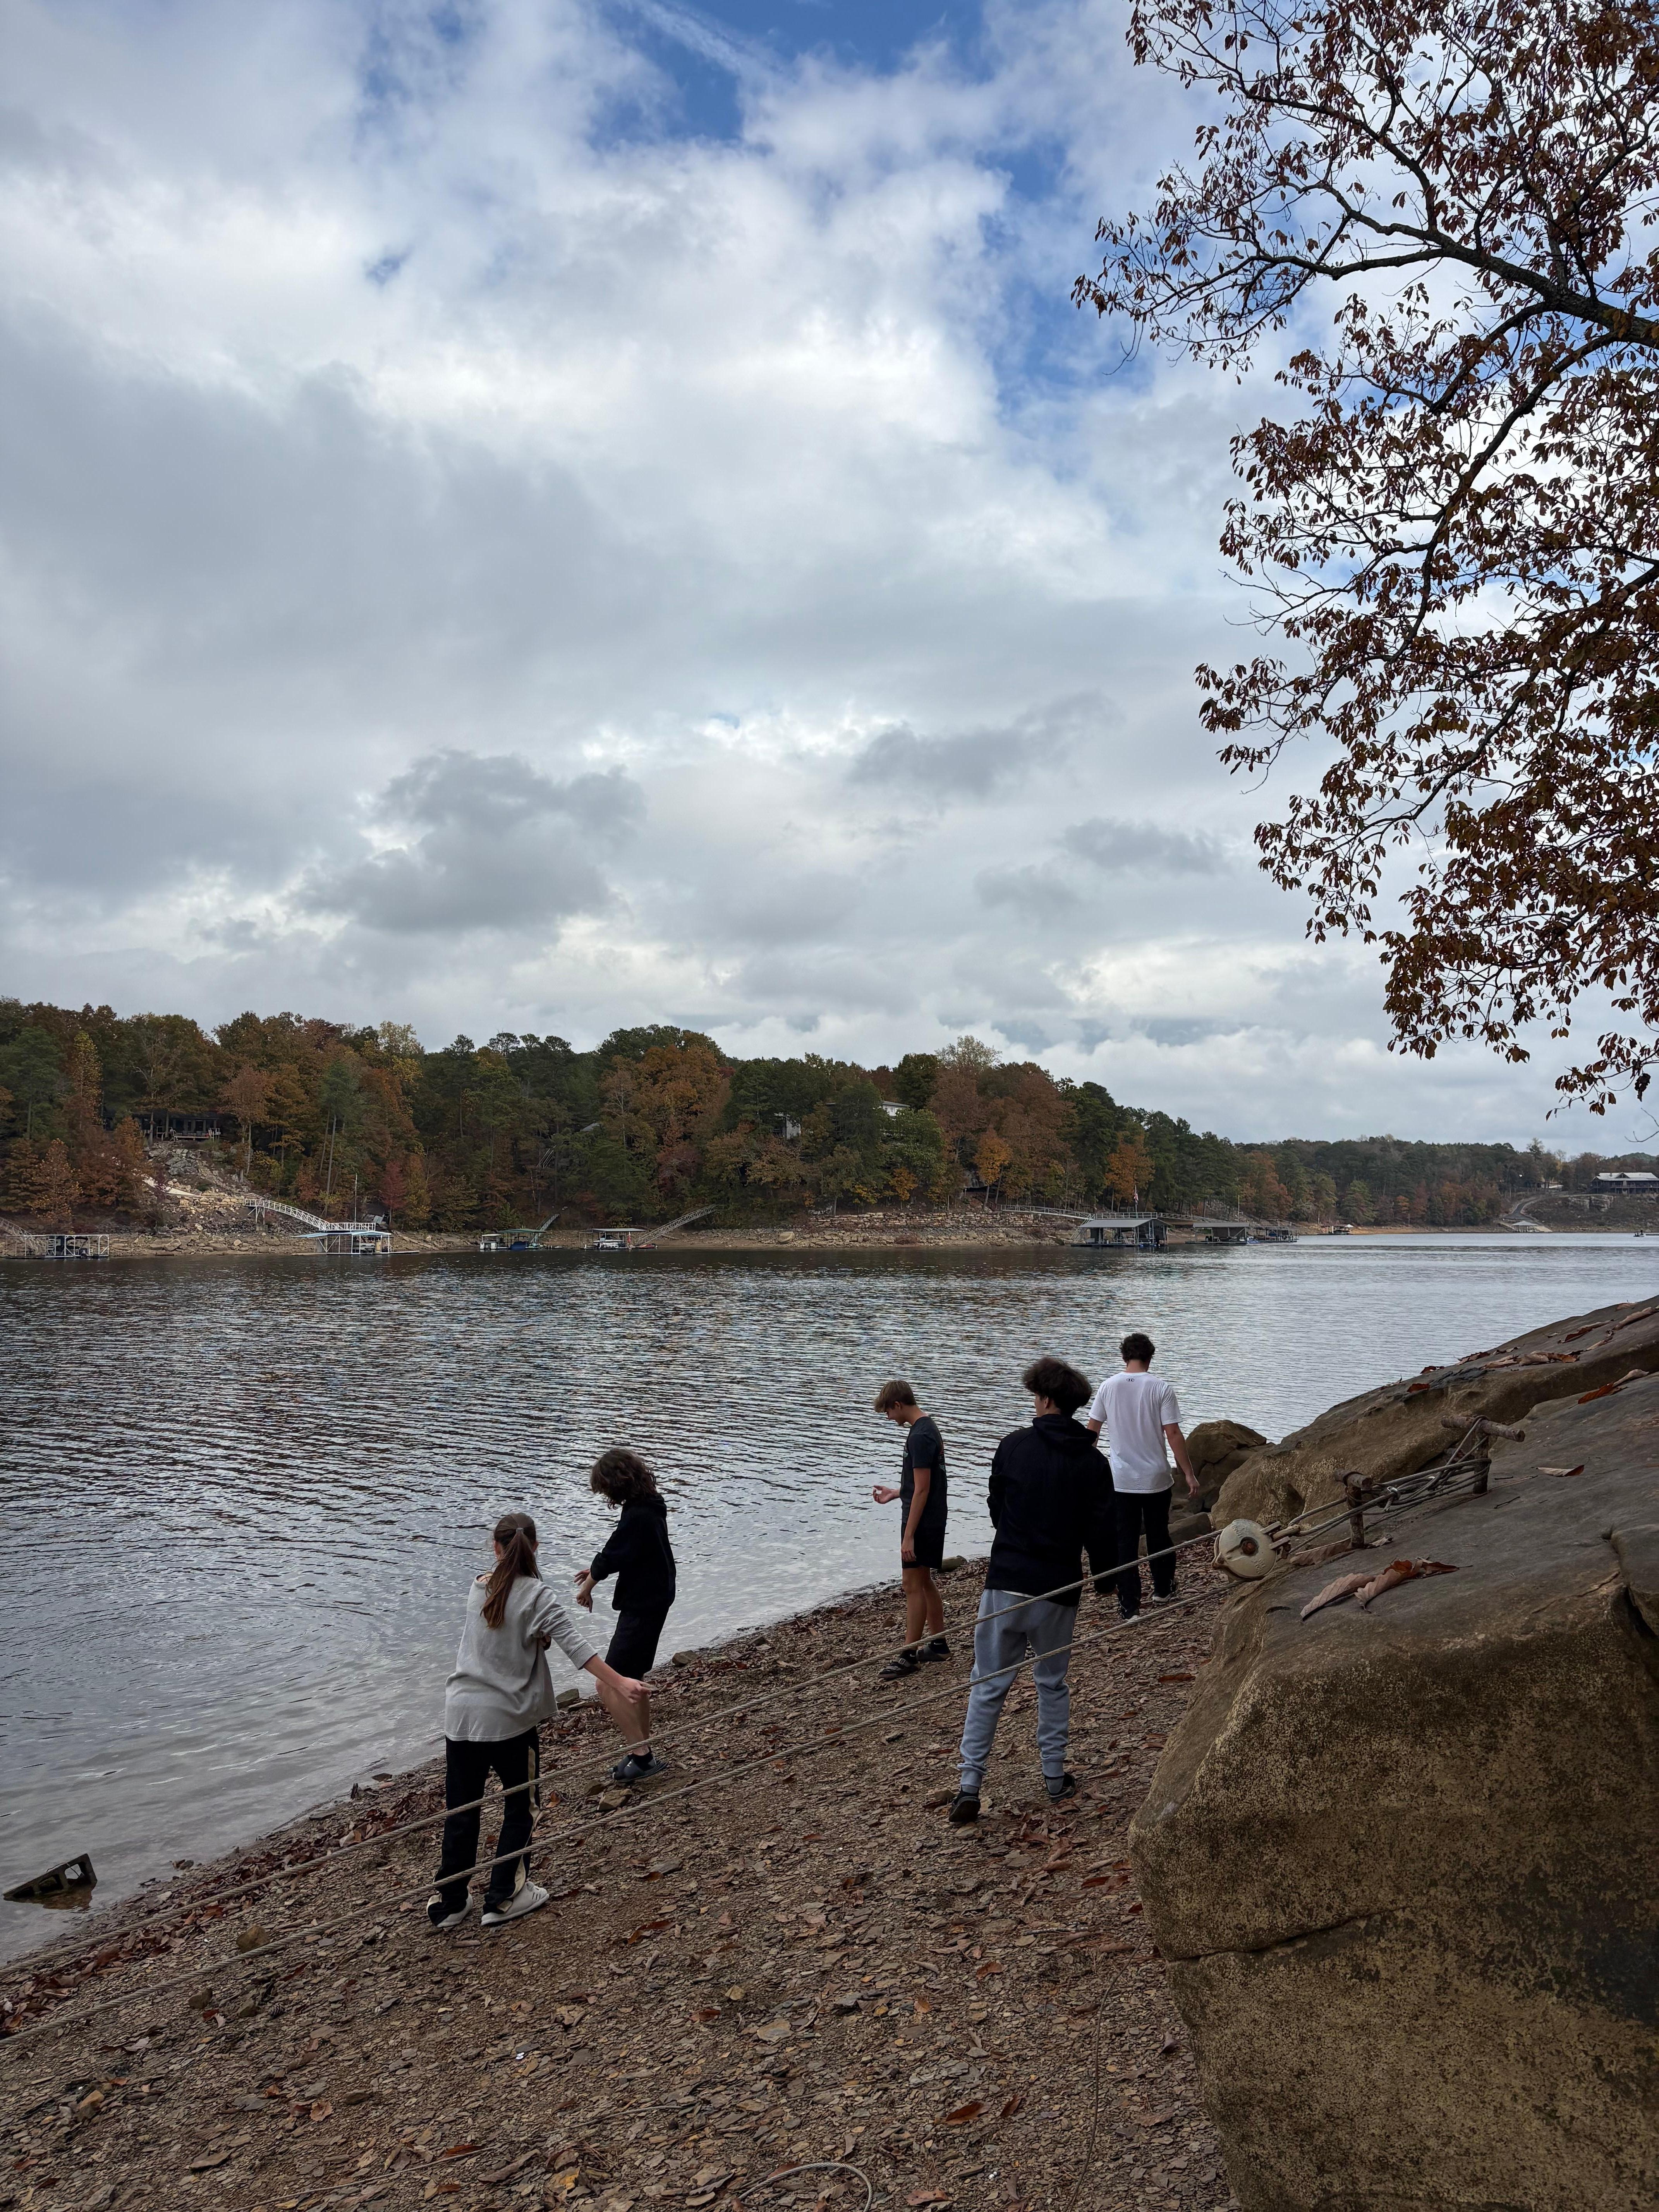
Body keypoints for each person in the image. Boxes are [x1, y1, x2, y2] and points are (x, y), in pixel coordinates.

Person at [430, 1511, 646, 1931]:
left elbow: (504, 1634)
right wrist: (622, 1683)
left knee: (462, 1810)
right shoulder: (538, 1596)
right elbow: (579, 1650)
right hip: (509, 1721)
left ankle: (450, 1903)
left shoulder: (478, 1589)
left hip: (461, 1716)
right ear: (537, 1548)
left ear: (495, 1548)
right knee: (520, 1805)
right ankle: (504, 1898)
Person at [950, 1357, 1115, 1824]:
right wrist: (1105, 1578)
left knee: (987, 1685)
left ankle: (970, 1784)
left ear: (1043, 1399)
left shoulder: (1013, 1446)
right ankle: (1054, 1776)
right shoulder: (1093, 1461)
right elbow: (1102, 1529)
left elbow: (997, 1505)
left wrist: (1013, 1537)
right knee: (1052, 1683)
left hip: (1007, 1581)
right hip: (1059, 1586)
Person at [574, 1447, 677, 1783]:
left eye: (604, 1489)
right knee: (634, 1680)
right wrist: (597, 1569)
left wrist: (588, 1585)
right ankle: (642, 1752)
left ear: (615, 1485)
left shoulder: (638, 1516)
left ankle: (642, 1756)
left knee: (608, 1684)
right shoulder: (650, 1505)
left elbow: (613, 1552)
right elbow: (625, 1551)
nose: (605, 1496)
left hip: (643, 1606)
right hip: (654, 1600)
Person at [1084, 1332, 1200, 1623]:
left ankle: (1130, 1607)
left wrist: (1085, 1470)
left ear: (1125, 1357)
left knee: (1125, 1542)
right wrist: (1189, 1473)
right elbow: (1173, 1433)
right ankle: (1163, 1589)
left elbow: (1093, 1431)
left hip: (1121, 1479)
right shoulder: (1161, 1388)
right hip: (1156, 1478)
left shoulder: (1107, 1387)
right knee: (1160, 1535)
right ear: (1150, 1357)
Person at [870, 1378, 949, 1679]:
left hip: (922, 1522)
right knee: (924, 1581)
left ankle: (908, 1655)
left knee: (911, 1585)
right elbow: (919, 1484)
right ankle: (939, 1644)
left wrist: (908, 1536)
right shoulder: (929, 1428)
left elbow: (923, 1490)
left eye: (888, 1413)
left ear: (898, 1405)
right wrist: (896, 1492)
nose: (890, 1419)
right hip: (931, 1518)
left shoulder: (918, 1436)